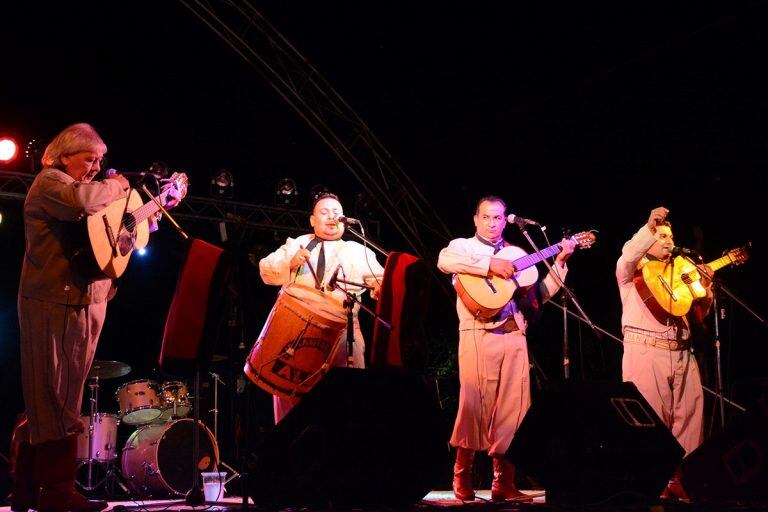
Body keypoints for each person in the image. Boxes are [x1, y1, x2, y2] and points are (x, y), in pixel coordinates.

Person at [14, 123, 178, 512]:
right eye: (90, 159)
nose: (95, 167)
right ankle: (54, 490)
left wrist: (158, 206)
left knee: (64, 399)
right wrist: (121, 183)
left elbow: (121, 232)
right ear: (63, 155)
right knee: (51, 396)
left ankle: (33, 486)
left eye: (100, 161)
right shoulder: (50, 183)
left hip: (91, 299)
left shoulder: (93, 191)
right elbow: (82, 202)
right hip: (51, 300)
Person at [438, 196, 575, 501]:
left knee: (515, 409)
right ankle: (462, 476)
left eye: (498, 218)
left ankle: (503, 482)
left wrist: (560, 263)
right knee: (474, 403)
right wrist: (490, 264)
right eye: (486, 217)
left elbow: (538, 294)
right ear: (475, 219)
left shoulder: (517, 252)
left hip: (514, 335)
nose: (492, 223)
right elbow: (444, 261)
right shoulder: (463, 246)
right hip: (478, 331)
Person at [258, 192, 385, 422]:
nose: (331, 217)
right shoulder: (297, 244)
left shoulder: (358, 251)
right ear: (312, 220)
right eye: (324, 212)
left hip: (343, 332)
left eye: (336, 213)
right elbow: (266, 270)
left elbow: (380, 280)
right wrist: (290, 262)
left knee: (349, 399)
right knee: (288, 398)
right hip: (296, 331)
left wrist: (379, 288)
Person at [616, 206, 711, 499]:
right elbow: (629, 253)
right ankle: (650, 483)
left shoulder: (681, 272)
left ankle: (680, 480)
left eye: (671, 236)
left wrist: (705, 289)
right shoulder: (632, 272)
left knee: (689, 416)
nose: (669, 241)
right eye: (661, 236)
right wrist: (649, 225)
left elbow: (699, 316)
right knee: (652, 420)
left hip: (682, 351)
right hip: (646, 351)